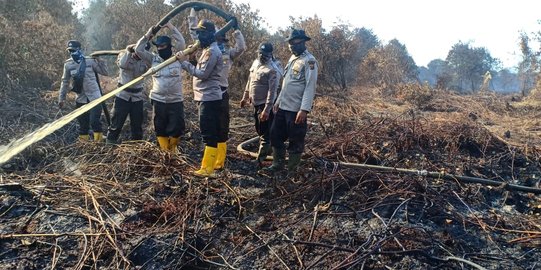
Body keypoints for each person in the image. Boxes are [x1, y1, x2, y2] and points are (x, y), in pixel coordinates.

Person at [188, 9, 246, 170]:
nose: (220, 40)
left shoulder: (227, 53)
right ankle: (211, 165)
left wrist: (236, 29)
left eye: (222, 38)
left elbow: (241, 47)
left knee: (221, 127)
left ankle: (217, 163)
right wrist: (193, 13)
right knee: (211, 128)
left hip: (221, 91)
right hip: (210, 92)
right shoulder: (205, 48)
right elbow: (195, 34)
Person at [259, 29, 318, 174]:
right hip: (283, 107)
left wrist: (304, 109)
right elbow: (286, 83)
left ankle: (293, 170)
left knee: (295, 140)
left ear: (303, 42)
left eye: (295, 43)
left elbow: (310, 86)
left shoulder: (309, 61)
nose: (292, 46)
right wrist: (278, 101)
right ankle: (277, 165)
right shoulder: (292, 59)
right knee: (275, 135)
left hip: (296, 109)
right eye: (290, 44)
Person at [134, 22, 186, 153]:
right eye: (158, 47)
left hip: (175, 100)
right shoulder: (152, 59)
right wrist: (148, 34)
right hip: (158, 100)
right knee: (160, 127)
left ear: (169, 46)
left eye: (163, 46)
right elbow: (138, 49)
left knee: (177, 128)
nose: (160, 49)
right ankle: (164, 152)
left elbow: (181, 42)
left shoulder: (177, 58)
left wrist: (172, 27)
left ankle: (173, 150)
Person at [181, 19, 223, 177]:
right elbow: (200, 68)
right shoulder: (207, 50)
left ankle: (208, 169)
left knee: (209, 133)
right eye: (198, 33)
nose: (199, 36)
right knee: (210, 131)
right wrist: (191, 59)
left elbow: (202, 74)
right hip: (205, 96)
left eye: (202, 33)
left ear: (210, 34)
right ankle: (209, 166)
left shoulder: (212, 51)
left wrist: (184, 63)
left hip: (209, 98)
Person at [58, 40, 109, 142]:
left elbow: (105, 72)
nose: (72, 53)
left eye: (74, 50)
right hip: (81, 98)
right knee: (83, 125)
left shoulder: (90, 61)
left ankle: (98, 144)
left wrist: (100, 61)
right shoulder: (68, 65)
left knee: (95, 122)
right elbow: (65, 82)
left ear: (79, 49)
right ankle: (84, 145)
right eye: (70, 51)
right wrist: (61, 98)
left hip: (94, 97)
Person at [240, 42, 279, 168]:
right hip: (255, 104)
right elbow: (249, 81)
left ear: (271, 54)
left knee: (265, 133)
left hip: (264, 105)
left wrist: (267, 110)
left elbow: (272, 92)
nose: (262, 56)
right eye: (260, 53)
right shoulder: (255, 63)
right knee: (259, 129)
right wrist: (245, 96)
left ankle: (260, 159)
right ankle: (267, 151)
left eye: (265, 54)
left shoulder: (272, 69)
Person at [105, 42, 150, 144]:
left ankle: (136, 147)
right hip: (123, 96)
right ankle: (109, 146)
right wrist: (129, 51)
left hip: (137, 97)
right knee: (116, 124)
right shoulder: (125, 56)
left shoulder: (146, 60)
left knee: (137, 126)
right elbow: (122, 64)